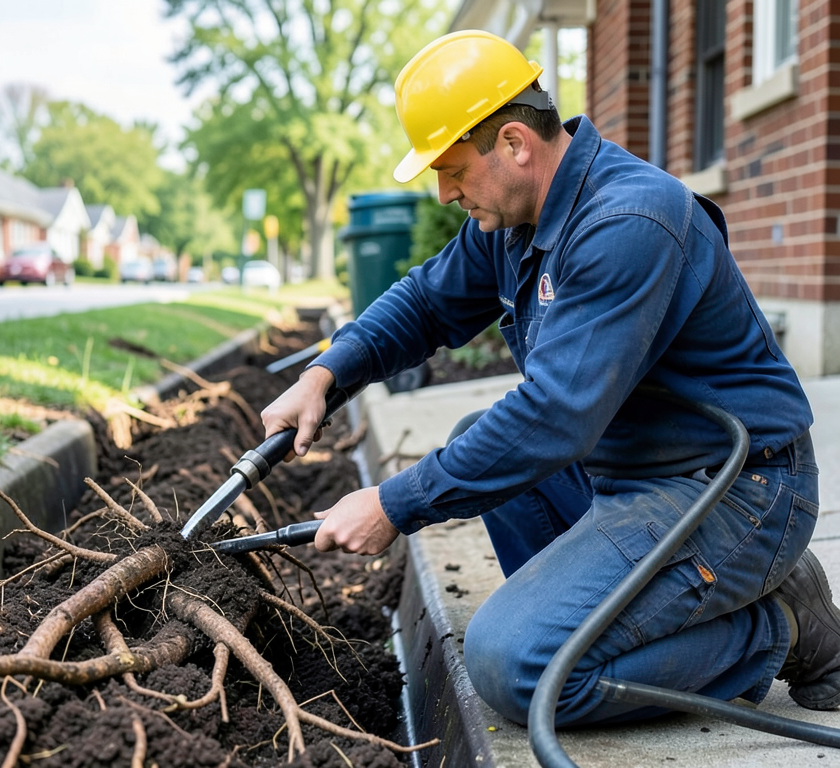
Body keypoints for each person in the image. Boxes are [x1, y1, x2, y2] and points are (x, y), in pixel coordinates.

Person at [260, 29, 840, 725]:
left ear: (512, 143)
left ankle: (782, 625)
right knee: (485, 441)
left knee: (515, 666)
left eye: (450, 169)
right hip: (638, 475)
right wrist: (327, 372)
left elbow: (553, 417)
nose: (444, 193)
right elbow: (425, 302)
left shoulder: (628, 221)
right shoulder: (516, 220)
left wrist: (394, 503)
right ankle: (626, 620)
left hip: (738, 492)